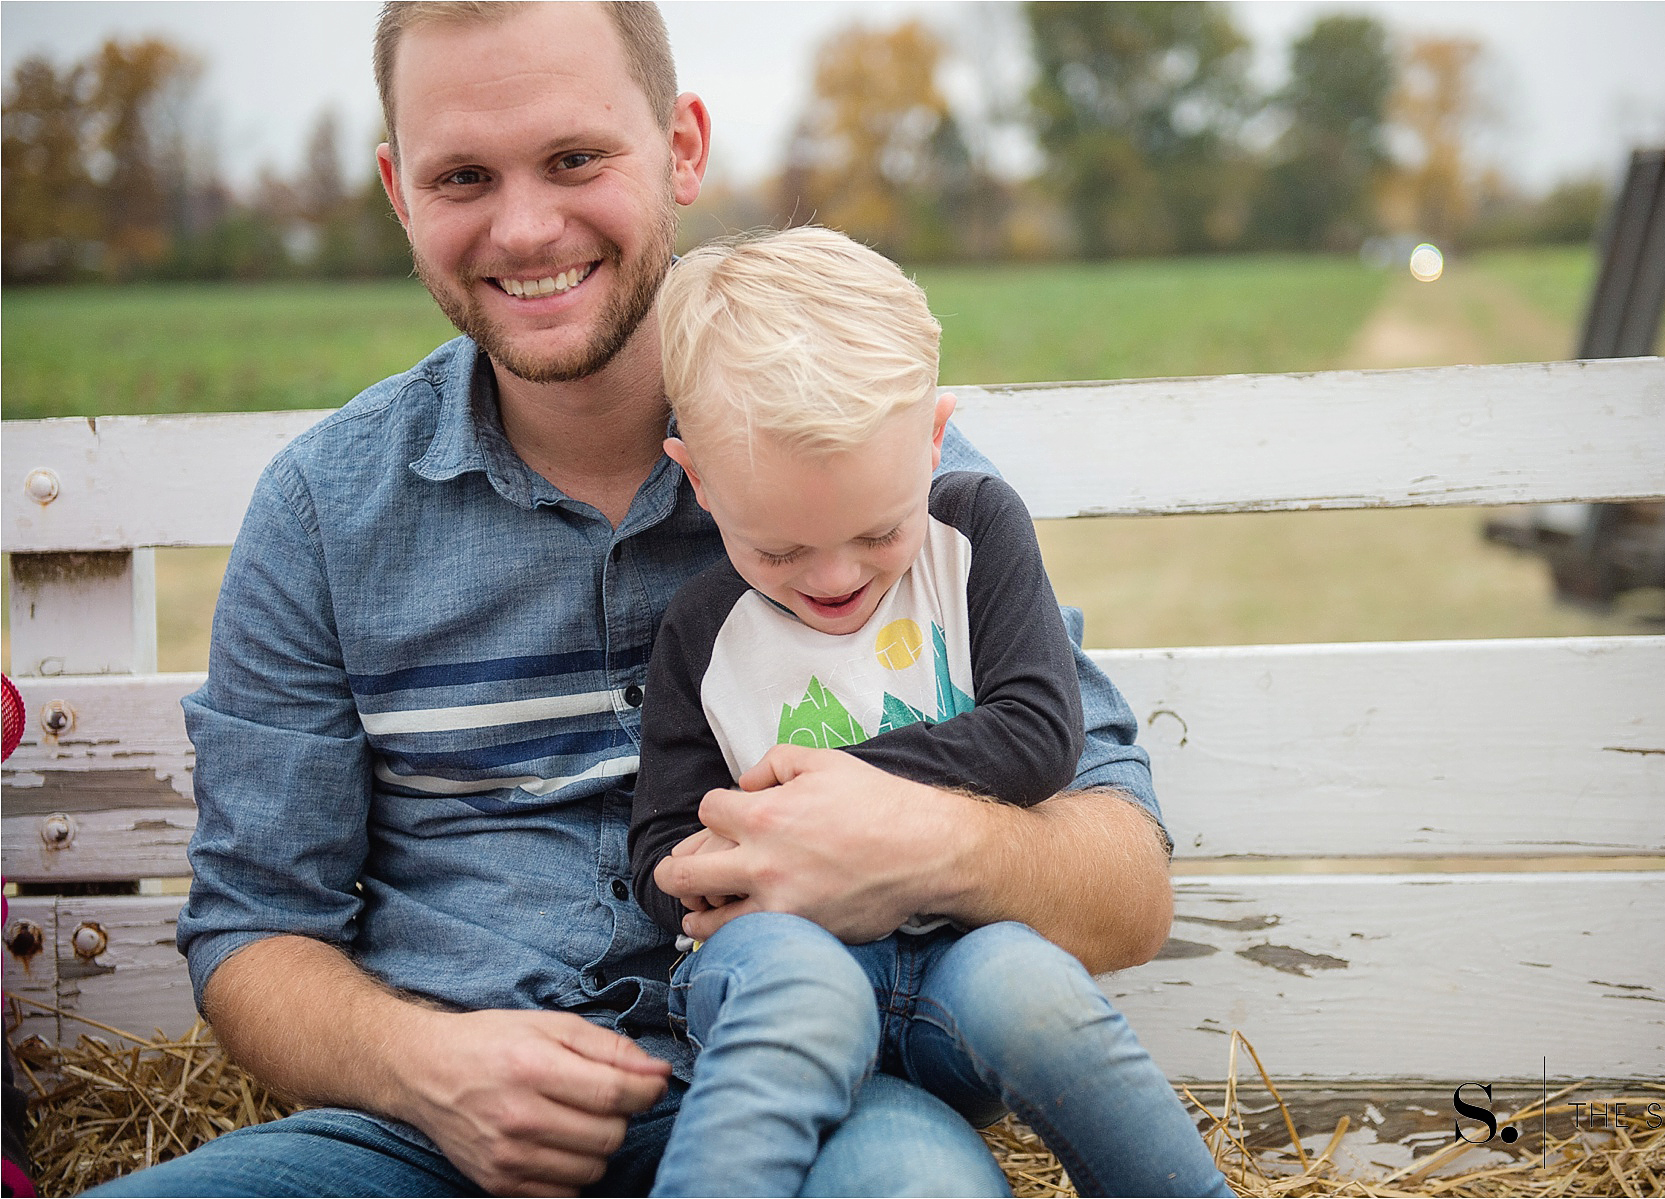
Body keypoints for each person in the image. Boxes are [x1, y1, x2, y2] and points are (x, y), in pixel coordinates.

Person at [90, 4, 1176, 1196]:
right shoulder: (322, 511)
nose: (526, 225)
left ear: (681, 149)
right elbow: (251, 935)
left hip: (823, 1093)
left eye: (575, 158)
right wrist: (422, 1064)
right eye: (463, 175)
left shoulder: (876, 475)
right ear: (401, 192)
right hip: (434, 1137)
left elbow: (1122, 883)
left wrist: (930, 838)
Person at [629, 227, 1230, 1198]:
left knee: (1026, 984)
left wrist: (842, 797)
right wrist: (707, 871)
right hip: (791, 964)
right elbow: (660, 842)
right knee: (800, 991)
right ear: (697, 477)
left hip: (958, 958)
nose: (832, 577)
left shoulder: (976, 533)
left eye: (877, 531)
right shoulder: (703, 629)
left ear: (935, 437)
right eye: (777, 550)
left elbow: (1038, 731)